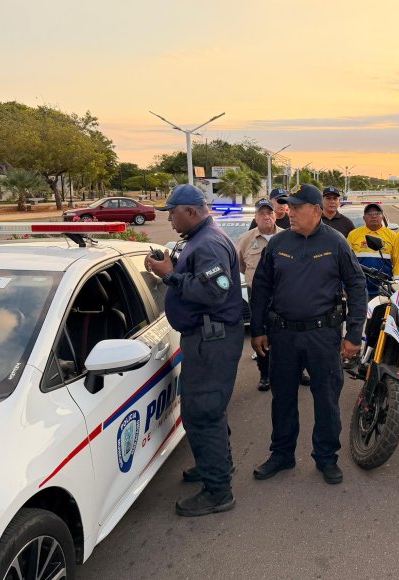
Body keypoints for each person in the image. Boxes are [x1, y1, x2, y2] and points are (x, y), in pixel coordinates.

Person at [250, 184, 367, 485]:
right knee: (283, 398)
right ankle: (282, 454)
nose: (289, 213)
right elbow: (261, 288)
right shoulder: (278, 243)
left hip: (322, 337)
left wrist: (354, 334)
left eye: (297, 208)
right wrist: (258, 329)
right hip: (283, 336)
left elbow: (356, 287)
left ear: (315, 211)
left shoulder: (336, 243)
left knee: (326, 399)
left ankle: (326, 457)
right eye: (288, 207)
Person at [145, 184, 244, 517]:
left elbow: (216, 292)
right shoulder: (197, 239)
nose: (170, 220)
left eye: (172, 213)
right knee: (208, 410)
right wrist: (171, 265)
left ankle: (218, 492)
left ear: (190, 211)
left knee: (202, 414)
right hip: (206, 338)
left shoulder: (210, 242)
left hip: (211, 340)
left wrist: (171, 276)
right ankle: (216, 466)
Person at [236, 198, 283, 392]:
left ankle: (297, 372)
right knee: (260, 335)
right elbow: (240, 265)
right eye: (261, 213)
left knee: (290, 335)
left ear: (275, 215)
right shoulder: (246, 239)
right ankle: (265, 374)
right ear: (255, 217)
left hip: (284, 295)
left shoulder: (287, 236)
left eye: (269, 213)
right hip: (257, 295)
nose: (266, 216)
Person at [346, 202, 399, 296]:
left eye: (377, 213)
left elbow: (398, 262)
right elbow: (347, 261)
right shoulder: (353, 235)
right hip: (359, 287)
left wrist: (398, 284)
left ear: (382, 217)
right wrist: (346, 285)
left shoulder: (393, 236)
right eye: (370, 214)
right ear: (364, 218)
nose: (374, 216)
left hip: (384, 287)